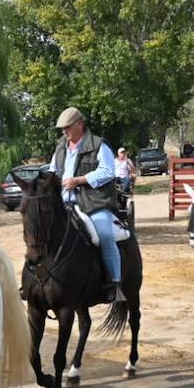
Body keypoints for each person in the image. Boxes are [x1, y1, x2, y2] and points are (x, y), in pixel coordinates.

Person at [48, 106, 121, 302]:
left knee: (105, 235)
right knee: (41, 232)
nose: (64, 132)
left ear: (80, 124)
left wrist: (79, 180)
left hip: (93, 203)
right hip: (64, 202)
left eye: (68, 127)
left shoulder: (99, 145)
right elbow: (53, 170)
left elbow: (108, 171)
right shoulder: (60, 147)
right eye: (62, 129)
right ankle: (41, 280)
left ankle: (114, 283)